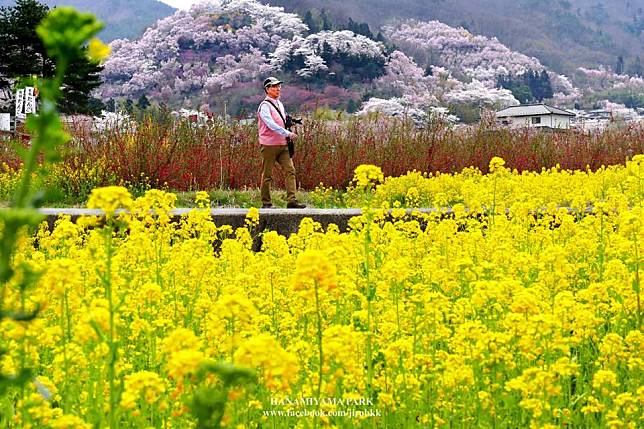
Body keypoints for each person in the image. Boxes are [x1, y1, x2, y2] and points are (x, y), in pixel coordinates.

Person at [257, 76, 305, 209]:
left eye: (279, 86)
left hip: (283, 144)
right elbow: (270, 124)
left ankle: (292, 200)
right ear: (267, 89)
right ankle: (266, 203)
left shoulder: (280, 104)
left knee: (290, 171)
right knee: (267, 174)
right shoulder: (264, 106)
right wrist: (287, 133)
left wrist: (291, 121)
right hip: (269, 145)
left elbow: (281, 119)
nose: (278, 88)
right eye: (274, 86)